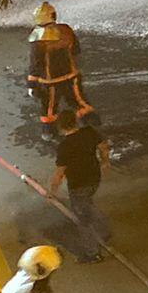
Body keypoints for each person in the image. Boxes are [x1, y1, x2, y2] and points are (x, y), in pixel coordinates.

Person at [49, 107, 113, 263]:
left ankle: (92, 254)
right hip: (94, 179)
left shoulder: (65, 146)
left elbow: (60, 172)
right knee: (87, 203)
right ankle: (103, 231)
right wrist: (105, 162)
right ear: (75, 121)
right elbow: (104, 146)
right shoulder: (89, 132)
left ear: (60, 127)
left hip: (78, 185)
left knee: (83, 219)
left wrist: (52, 191)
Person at [28, 2, 93, 126]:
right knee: (80, 102)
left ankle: (50, 132)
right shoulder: (66, 30)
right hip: (71, 76)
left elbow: (35, 64)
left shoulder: (37, 38)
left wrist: (32, 85)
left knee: (49, 109)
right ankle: (91, 125)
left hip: (50, 82)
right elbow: (76, 50)